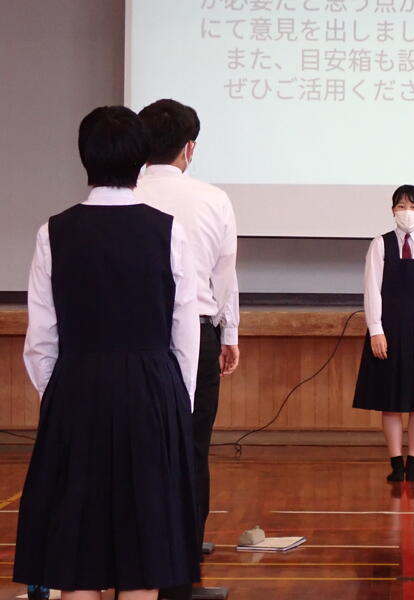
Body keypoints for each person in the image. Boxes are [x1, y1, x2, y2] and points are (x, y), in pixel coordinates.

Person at [13, 106, 200, 600]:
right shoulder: (169, 229)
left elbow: (41, 338)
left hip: (76, 389)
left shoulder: (53, 231)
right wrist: (176, 402)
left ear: (85, 158)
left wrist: (62, 393)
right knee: (145, 561)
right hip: (151, 391)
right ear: (140, 160)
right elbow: (185, 329)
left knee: (78, 560)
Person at [134, 99, 240, 580]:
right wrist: (229, 332)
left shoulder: (125, 194)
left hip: (136, 334)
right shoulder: (213, 199)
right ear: (189, 147)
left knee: (138, 444)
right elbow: (225, 275)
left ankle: (139, 546)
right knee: (193, 445)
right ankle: (186, 549)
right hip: (197, 332)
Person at [353, 185, 414, 483]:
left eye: (412, 206)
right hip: (389, 331)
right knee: (391, 401)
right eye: (401, 206)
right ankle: (396, 463)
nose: (407, 211)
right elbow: (372, 289)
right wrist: (376, 330)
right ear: (392, 210)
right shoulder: (380, 244)